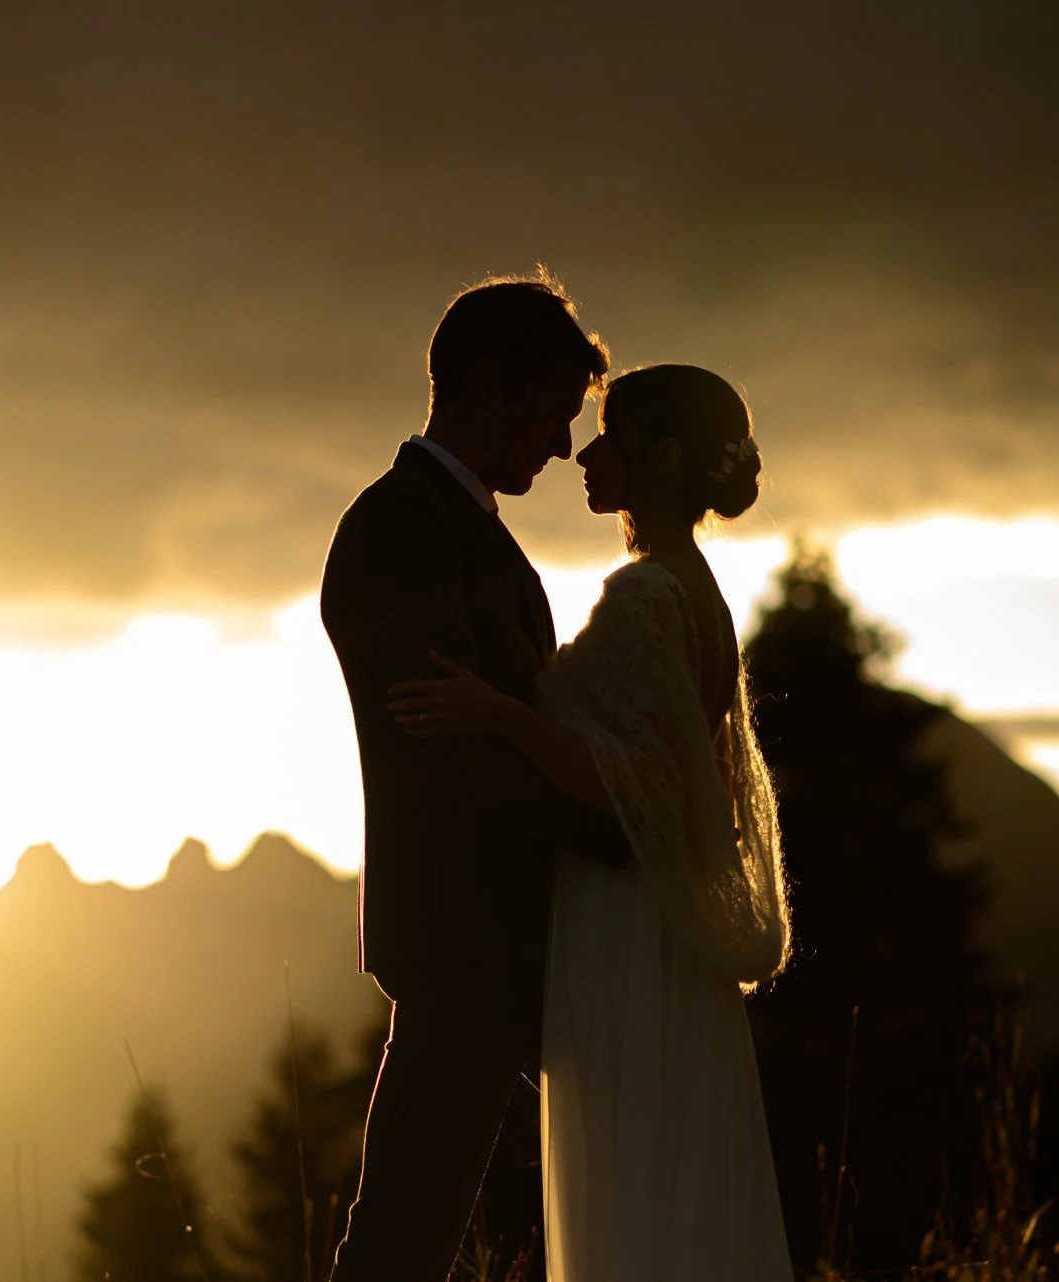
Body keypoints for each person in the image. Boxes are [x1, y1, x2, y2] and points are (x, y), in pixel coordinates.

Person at [388, 363, 795, 1281]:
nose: (586, 453)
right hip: (656, 926)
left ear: (662, 456)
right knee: (662, 1163)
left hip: (627, 927)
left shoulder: (650, 596)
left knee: (633, 1163)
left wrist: (499, 715)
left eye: (610, 434)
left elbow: (634, 784)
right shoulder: (694, 590)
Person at [319, 271, 632, 1282]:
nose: (562, 445)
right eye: (553, 413)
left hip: (511, 946)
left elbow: (511, 729)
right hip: (462, 940)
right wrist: (627, 822)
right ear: (486, 386)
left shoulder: (483, 546)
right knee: (402, 1240)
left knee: (435, 1234)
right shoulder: (393, 534)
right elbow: (454, 760)